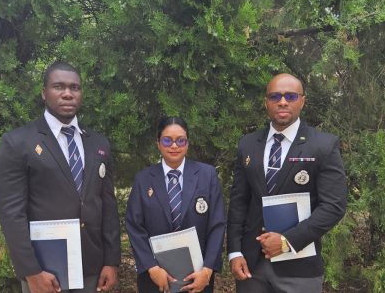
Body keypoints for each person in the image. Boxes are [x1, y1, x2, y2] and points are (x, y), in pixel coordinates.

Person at [0, 61, 121, 293]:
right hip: (46, 271)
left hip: (91, 267)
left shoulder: (99, 144)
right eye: (58, 87)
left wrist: (112, 261)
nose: (67, 94)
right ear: (44, 93)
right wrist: (31, 271)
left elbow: (108, 206)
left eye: (74, 88)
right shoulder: (18, 142)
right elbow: (12, 214)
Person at [227, 73, 347, 292]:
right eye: (275, 96)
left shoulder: (323, 145)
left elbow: (333, 206)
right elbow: (239, 202)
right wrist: (235, 251)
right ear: (266, 102)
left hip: (299, 267)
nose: (282, 101)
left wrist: (286, 241)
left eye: (290, 96)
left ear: (302, 101)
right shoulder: (248, 144)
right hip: (252, 267)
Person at [126, 117, 225, 293]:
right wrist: (151, 267)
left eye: (181, 140)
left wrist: (208, 270)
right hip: (155, 278)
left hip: (198, 276)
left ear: (187, 143)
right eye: (167, 140)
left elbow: (216, 225)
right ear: (158, 143)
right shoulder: (143, 179)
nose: (174, 146)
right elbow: (134, 226)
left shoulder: (206, 175)